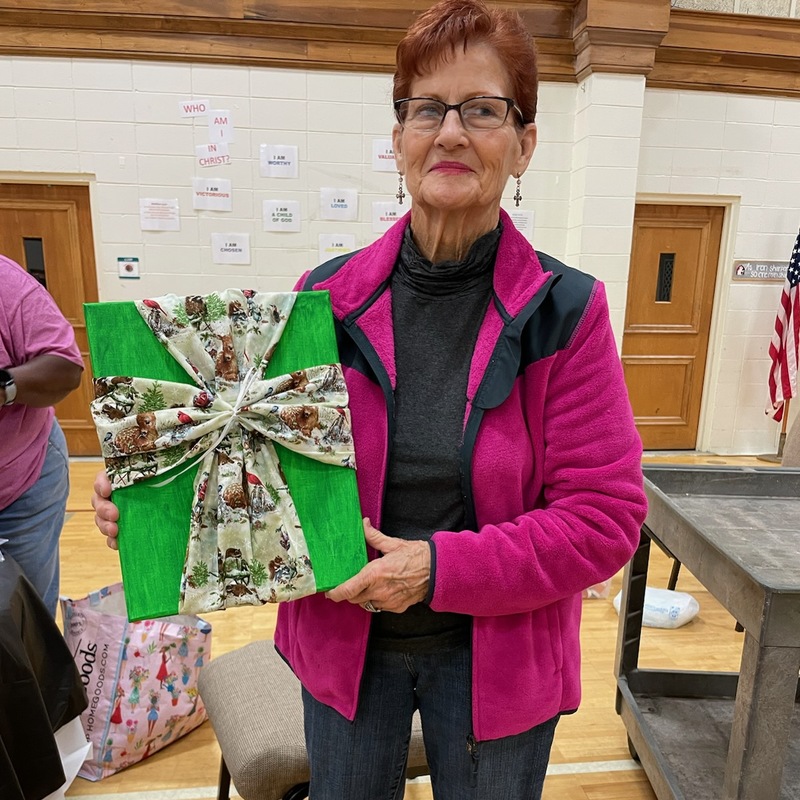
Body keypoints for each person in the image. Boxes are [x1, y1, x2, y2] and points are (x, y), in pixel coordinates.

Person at [93, 0, 647, 796]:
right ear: (398, 140)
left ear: (523, 145)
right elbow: (255, 465)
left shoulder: (565, 311)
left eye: (483, 109)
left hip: (499, 657)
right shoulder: (323, 299)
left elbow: (603, 520)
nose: (450, 131)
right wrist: (158, 498)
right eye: (427, 108)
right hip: (344, 648)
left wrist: (435, 569)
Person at [1, 255, 84, 616]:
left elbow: (66, 367)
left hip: (21, 477)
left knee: (25, 618)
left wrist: (5, 386)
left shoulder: (6, 282)